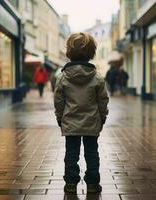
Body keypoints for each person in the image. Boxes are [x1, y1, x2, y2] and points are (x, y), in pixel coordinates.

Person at [54, 32, 109, 194]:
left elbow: (59, 101)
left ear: (69, 52)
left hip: (70, 122)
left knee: (71, 154)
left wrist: (60, 118)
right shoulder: (97, 77)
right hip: (92, 122)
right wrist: (102, 117)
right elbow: (103, 101)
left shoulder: (63, 77)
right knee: (92, 153)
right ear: (91, 52)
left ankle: (71, 183)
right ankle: (92, 183)